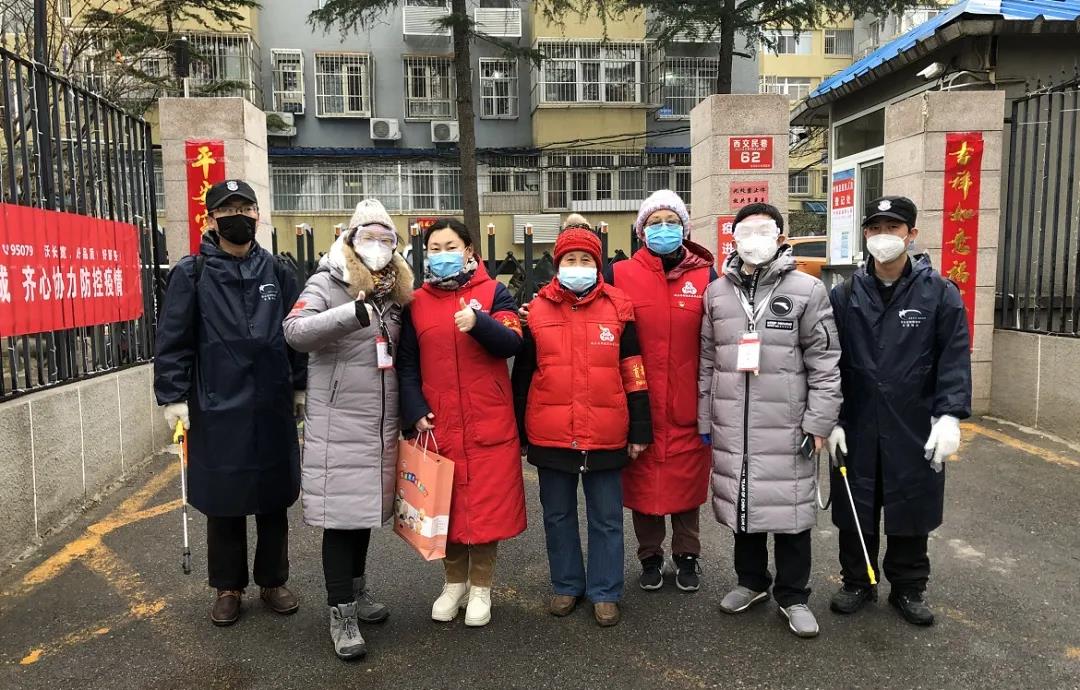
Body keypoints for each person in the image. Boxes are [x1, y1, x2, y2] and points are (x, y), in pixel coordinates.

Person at [154, 179, 306, 627]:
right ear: (210, 220)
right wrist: (173, 396)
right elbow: (174, 339)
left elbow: (297, 333)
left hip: (271, 402)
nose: (238, 217)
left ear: (257, 215)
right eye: (227, 211)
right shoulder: (192, 274)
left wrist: (299, 385)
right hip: (216, 405)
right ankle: (227, 586)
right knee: (224, 499)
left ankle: (273, 580)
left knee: (273, 496)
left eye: (246, 208)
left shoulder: (277, 270)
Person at [697, 202, 841, 638]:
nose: (753, 239)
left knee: (791, 509)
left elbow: (825, 361)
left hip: (788, 423)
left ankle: (794, 596)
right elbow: (707, 361)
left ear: (780, 237)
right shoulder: (716, 293)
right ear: (734, 239)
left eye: (763, 230)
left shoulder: (808, 289)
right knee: (743, 504)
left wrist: (819, 422)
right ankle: (751, 582)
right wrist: (706, 419)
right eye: (745, 231)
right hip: (733, 422)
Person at [826, 195, 971, 627]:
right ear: (865, 234)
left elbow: (953, 357)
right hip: (857, 421)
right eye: (875, 228)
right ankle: (857, 581)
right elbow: (829, 359)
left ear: (911, 234)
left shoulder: (939, 293)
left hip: (913, 420)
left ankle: (908, 587)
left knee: (911, 503)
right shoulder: (845, 294)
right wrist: (832, 419)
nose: (883, 236)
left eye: (893, 228)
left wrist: (949, 416)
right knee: (857, 502)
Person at [283, 199, 413, 660]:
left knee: (362, 515)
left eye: (385, 238)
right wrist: (350, 315)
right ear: (350, 240)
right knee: (340, 521)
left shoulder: (396, 290)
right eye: (367, 236)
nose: (377, 245)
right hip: (339, 422)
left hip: (380, 424)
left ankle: (356, 592)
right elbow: (295, 331)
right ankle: (340, 612)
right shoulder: (327, 281)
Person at [512, 216, 653, 627]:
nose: (578, 266)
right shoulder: (536, 310)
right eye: (569, 259)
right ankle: (566, 584)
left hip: (606, 432)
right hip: (550, 431)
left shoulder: (619, 307)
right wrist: (521, 432)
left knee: (606, 518)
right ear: (557, 265)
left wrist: (640, 427)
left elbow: (634, 370)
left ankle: (605, 592)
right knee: (557, 515)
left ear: (598, 263)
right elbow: (523, 375)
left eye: (585, 259)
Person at [397, 217, 527, 628]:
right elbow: (406, 364)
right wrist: (414, 408)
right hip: (439, 423)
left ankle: (481, 587)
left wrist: (479, 322)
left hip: (487, 419)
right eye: (434, 249)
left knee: (487, 508)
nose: (442, 255)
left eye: (450, 246)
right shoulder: (416, 302)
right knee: (445, 506)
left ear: (469, 250)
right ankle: (454, 584)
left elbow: (512, 341)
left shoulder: (494, 292)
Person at [609, 190, 717, 592]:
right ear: (641, 231)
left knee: (688, 485)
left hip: (689, 400)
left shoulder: (706, 276)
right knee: (642, 485)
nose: (663, 228)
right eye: (655, 223)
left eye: (672, 221)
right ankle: (650, 556)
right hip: (639, 400)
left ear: (685, 228)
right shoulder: (619, 274)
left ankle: (687, 555)